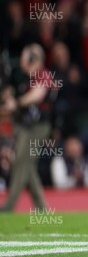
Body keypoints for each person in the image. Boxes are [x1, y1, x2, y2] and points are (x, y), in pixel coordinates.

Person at [0, 44, 54, 212]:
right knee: (28, 167)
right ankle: (42, 209)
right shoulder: (24, 78)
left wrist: (15, 102)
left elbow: (37, 95)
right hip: (25, 126)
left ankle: (9, 207)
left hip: (37, 127)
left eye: (26, 57)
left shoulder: (42, 75)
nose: (22, 61)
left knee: (21, 163)